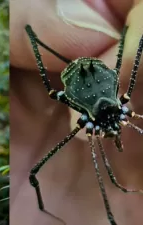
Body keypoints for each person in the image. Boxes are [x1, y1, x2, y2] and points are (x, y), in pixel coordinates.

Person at [10, 0, 143, 225]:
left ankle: (33, 35)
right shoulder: (120, 104)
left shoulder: (116, 106)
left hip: (89, 77)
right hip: (86, 73)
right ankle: (33, 35)